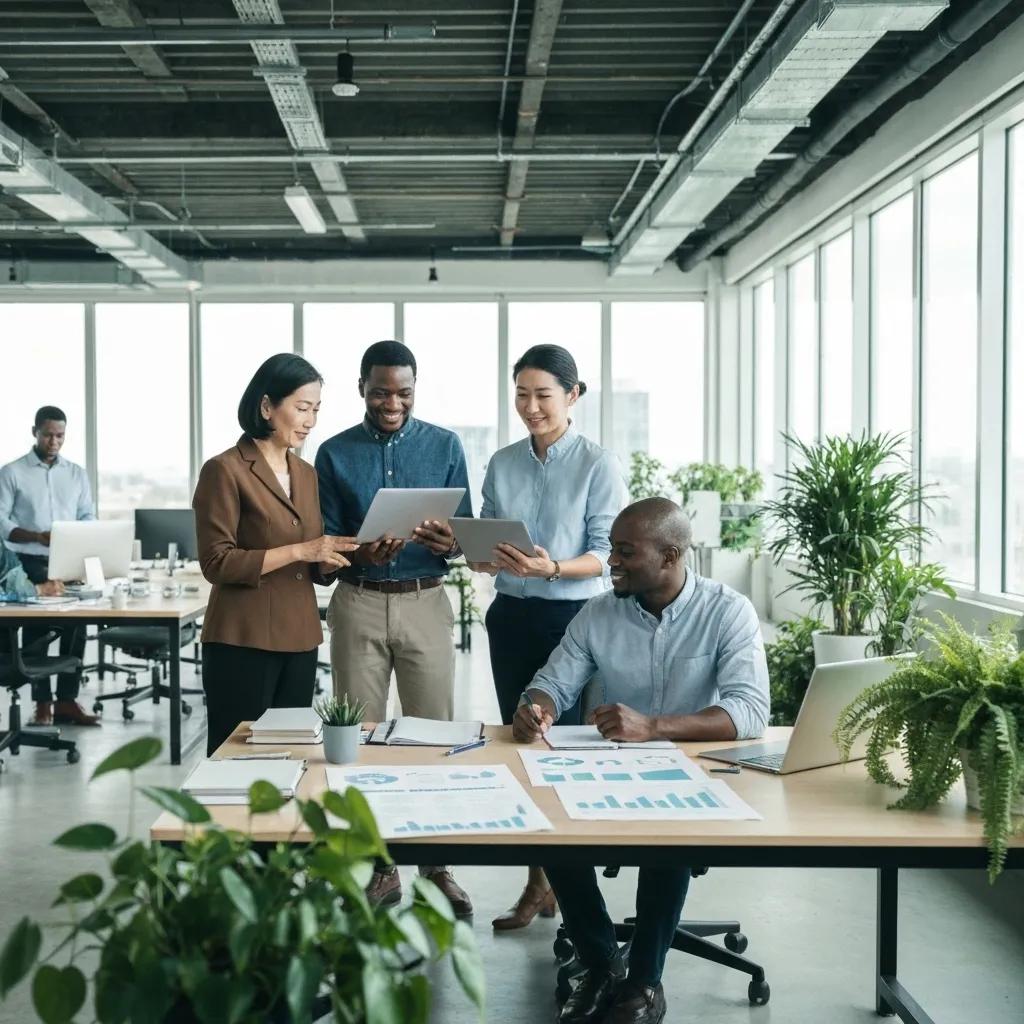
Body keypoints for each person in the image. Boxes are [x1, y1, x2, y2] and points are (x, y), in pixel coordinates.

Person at [513, 498, 770, 1024]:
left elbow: (749, 711)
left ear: (671, 554)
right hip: (609, 766)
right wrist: (534, 707)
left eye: (626, 552)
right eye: (612, 550)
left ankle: (645, 982)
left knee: (669, 838)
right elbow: (553, 681)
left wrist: (654, 727)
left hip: (695, 773)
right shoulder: (599, 613)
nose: (612, 562)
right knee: (550, 829)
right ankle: (602, 961)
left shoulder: (727, 611)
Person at [461, 344, 628, 932]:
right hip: (511, 616)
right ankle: (538, 883)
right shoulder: (502, 462)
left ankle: (574, 892)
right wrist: (483, 558)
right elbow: (484, 539)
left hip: (574, 623)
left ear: (573, 396)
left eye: (543, 395)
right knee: (522, 743)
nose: (530, 407)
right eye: (522, 394)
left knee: (569, 754)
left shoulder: (597, 463)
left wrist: (550, 568)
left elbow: (608, 556)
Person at [315, 340, 474, 917]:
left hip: (425, 600)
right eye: (381, 391)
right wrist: (361, 554)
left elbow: (466, 535)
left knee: (433, 739)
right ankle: (379, 866)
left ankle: (436, 866)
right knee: (358, 743)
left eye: (403, 393)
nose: (392, 403)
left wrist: (450, 542)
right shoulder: (332, 454)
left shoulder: (446, 445)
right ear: (361, 387)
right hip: (359, 601)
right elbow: (327, 545)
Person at [193, 353, 357, 756]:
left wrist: (351, 552)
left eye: (316, 409)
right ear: (267, 407)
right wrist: (302, 549)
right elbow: (217, 562)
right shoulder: (225, 470)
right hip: (242, 640)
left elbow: (312, 563)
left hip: (299, 639)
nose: (311, 421)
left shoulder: (306, 474)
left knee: (288, 755)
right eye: (302, 408)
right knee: (237, 757)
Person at [0, 405, 97, 726]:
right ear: (35, 433)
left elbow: (87, 516)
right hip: (27, 562)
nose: (54, 441)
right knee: (37, 630)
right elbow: (2, 521)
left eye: (60, 436)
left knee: (76, 627)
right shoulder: (12, 472)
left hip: (67, 560)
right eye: (48, 435)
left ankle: (67, 701)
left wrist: (79, 539)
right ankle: (42, 704)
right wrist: (37, 537)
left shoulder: (76, 473)